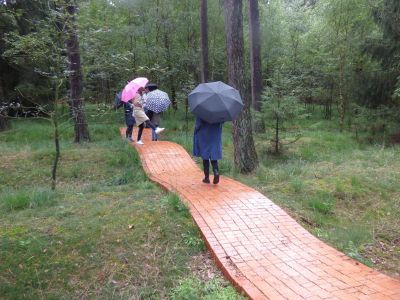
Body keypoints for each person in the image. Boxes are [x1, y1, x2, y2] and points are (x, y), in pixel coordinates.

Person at [192, 117, 223, 184]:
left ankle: (206, 178)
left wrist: (196, 128)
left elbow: (198, 124)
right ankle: (216, 172)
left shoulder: (202, 110)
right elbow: (222, 122)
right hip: (215, 134)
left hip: (205, 134)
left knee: (205, 156)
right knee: (213, 155)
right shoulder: (219, 110)